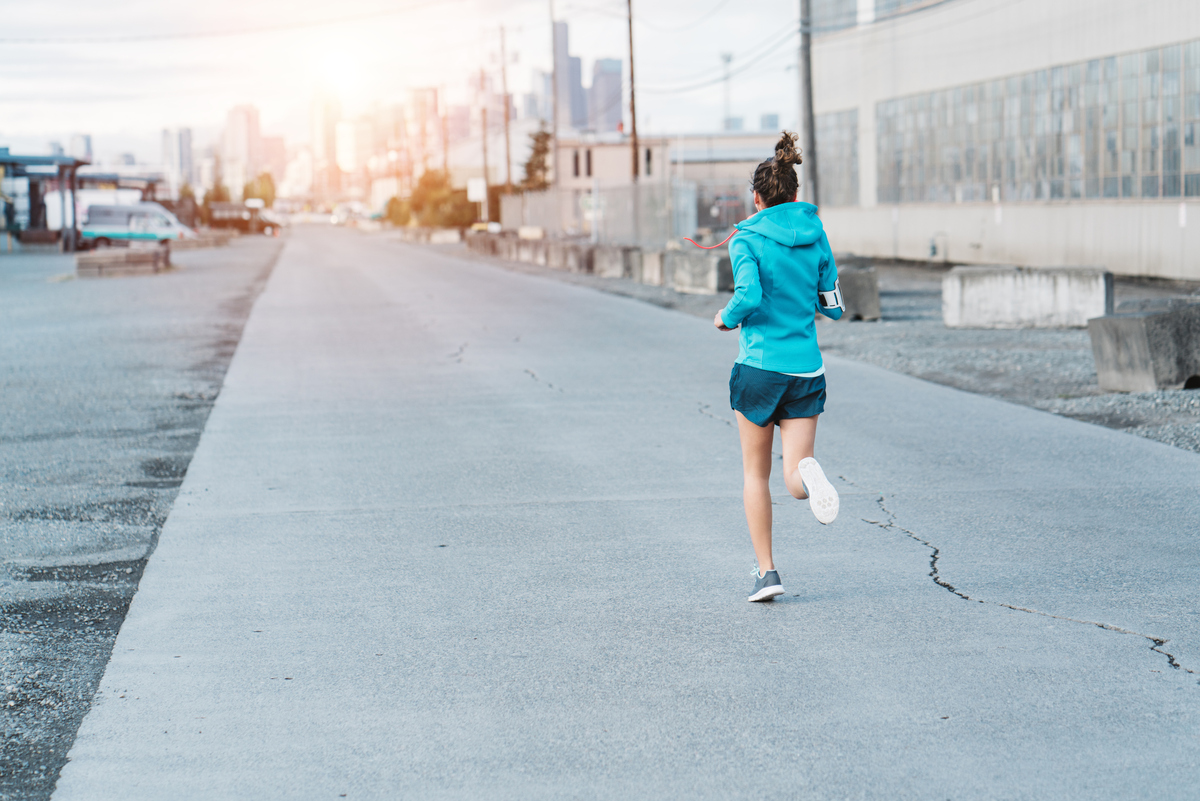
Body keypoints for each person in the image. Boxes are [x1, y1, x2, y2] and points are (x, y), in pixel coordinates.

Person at [713, 131, 844, 603]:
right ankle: (810, 475)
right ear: (795, 192)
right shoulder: (816, 233)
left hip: (760, 370)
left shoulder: (746, 237)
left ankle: (767, 573)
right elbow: (833, 306)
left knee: (755, 474)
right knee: (794, 475)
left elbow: (748, 296)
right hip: (806, 370)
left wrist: (725, 318)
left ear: (757, 197)